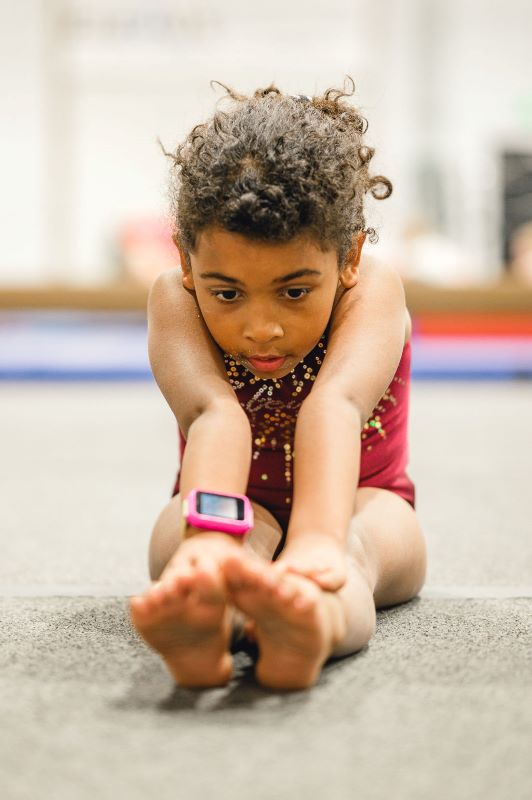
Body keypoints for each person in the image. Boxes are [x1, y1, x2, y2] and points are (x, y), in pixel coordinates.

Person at [129, 78, 427, 690]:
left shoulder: (371, 291)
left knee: (346, 556)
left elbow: (336, 406)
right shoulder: (174, 296)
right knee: (178, 547)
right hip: (234, 496)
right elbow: (214, 414)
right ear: (187, 263)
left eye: (295, 292)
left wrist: (316, 543)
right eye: (227, 293)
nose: (261, 328)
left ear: (346, 258)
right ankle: (210, 624)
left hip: (365, 500)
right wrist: (209, 543)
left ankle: (305, 626)